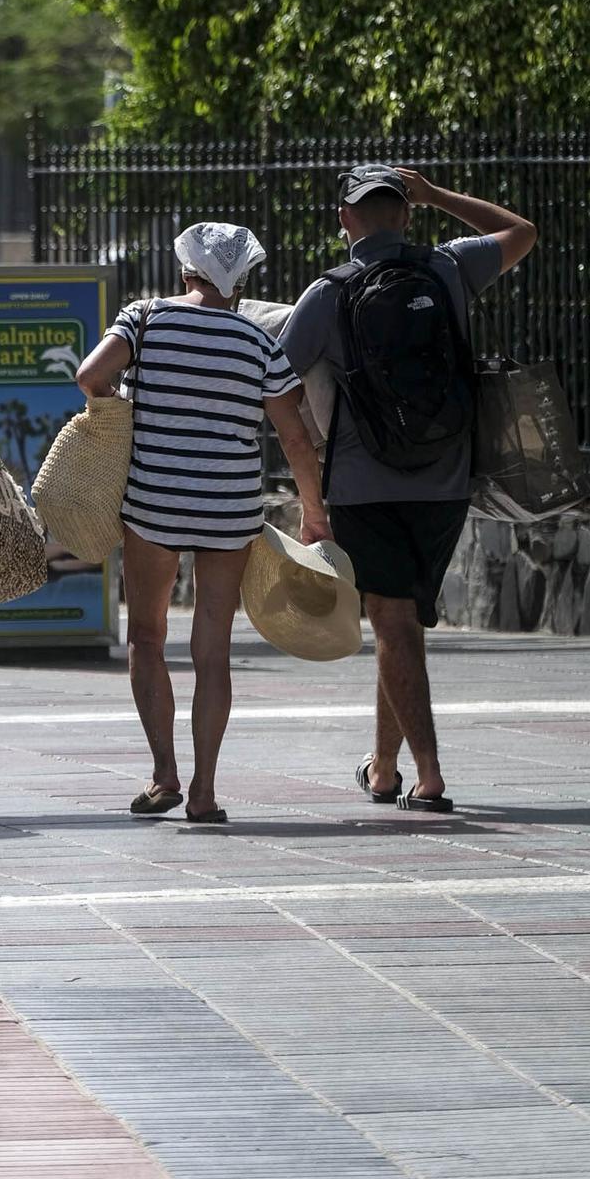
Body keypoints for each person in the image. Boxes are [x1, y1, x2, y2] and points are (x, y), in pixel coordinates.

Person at [281, 164, 536, 814]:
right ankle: (386, 768)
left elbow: (272, 380)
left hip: (365, 487)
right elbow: (522, 231)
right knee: (403, 628)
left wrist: (309, 481)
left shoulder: (328, 292)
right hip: (448, 482)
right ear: (406, 212)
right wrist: (440, 194)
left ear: (345, 220)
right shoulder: (448, 269)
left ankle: (429, 777)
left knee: (392, 625)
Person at [76, 222, 329, 825]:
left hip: (155, 501)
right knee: (212, 650)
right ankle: (206, 793)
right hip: (228, 507)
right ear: (239, 279)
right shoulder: (257, 340)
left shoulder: (144, 319)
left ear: (184, 269)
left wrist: (124, 407)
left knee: (147, 638)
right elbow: (294, 436)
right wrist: (314, 512)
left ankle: (164, 773)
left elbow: (90, 376)